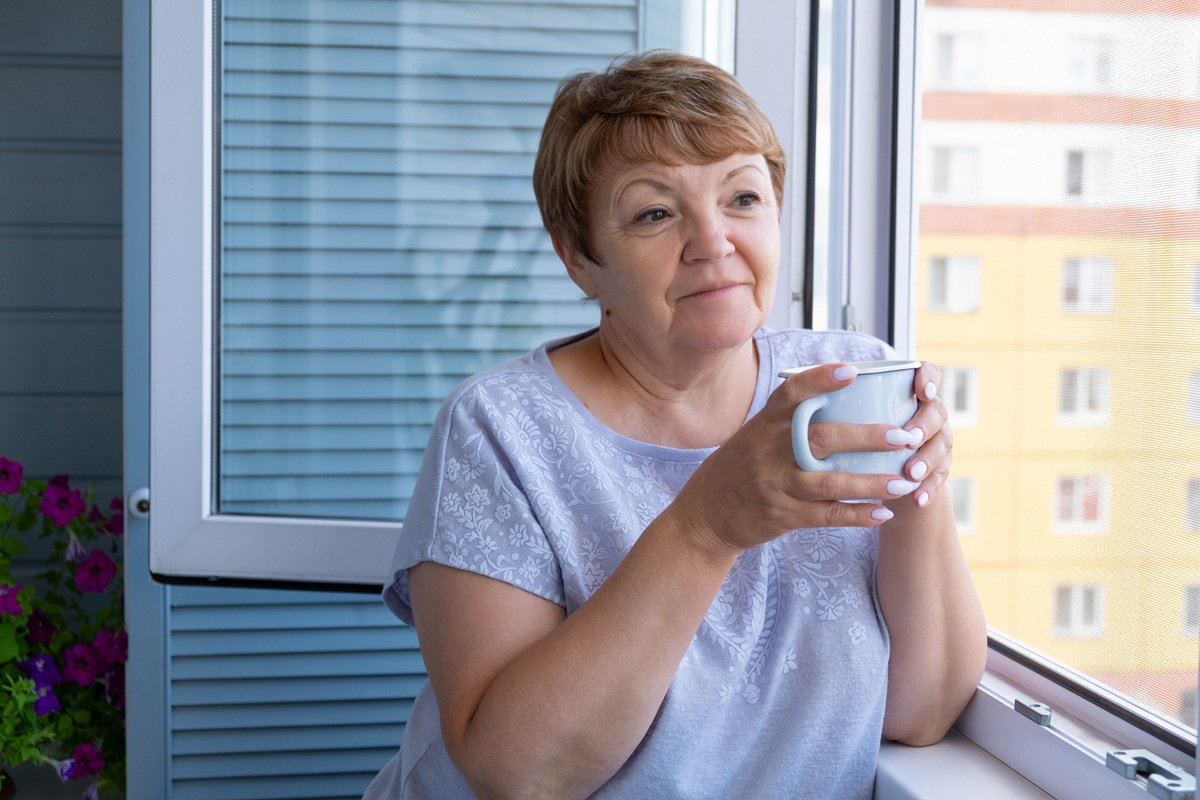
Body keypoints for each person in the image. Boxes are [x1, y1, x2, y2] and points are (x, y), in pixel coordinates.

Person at [364, 50, 986, 800]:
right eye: (656, 212)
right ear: (580, 260)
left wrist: (919, 487)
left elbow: (923, 712)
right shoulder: (500, 429)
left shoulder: (850, 384)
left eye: (743, 199)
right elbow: (519, 774)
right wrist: (706, 525)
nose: (714, 241)